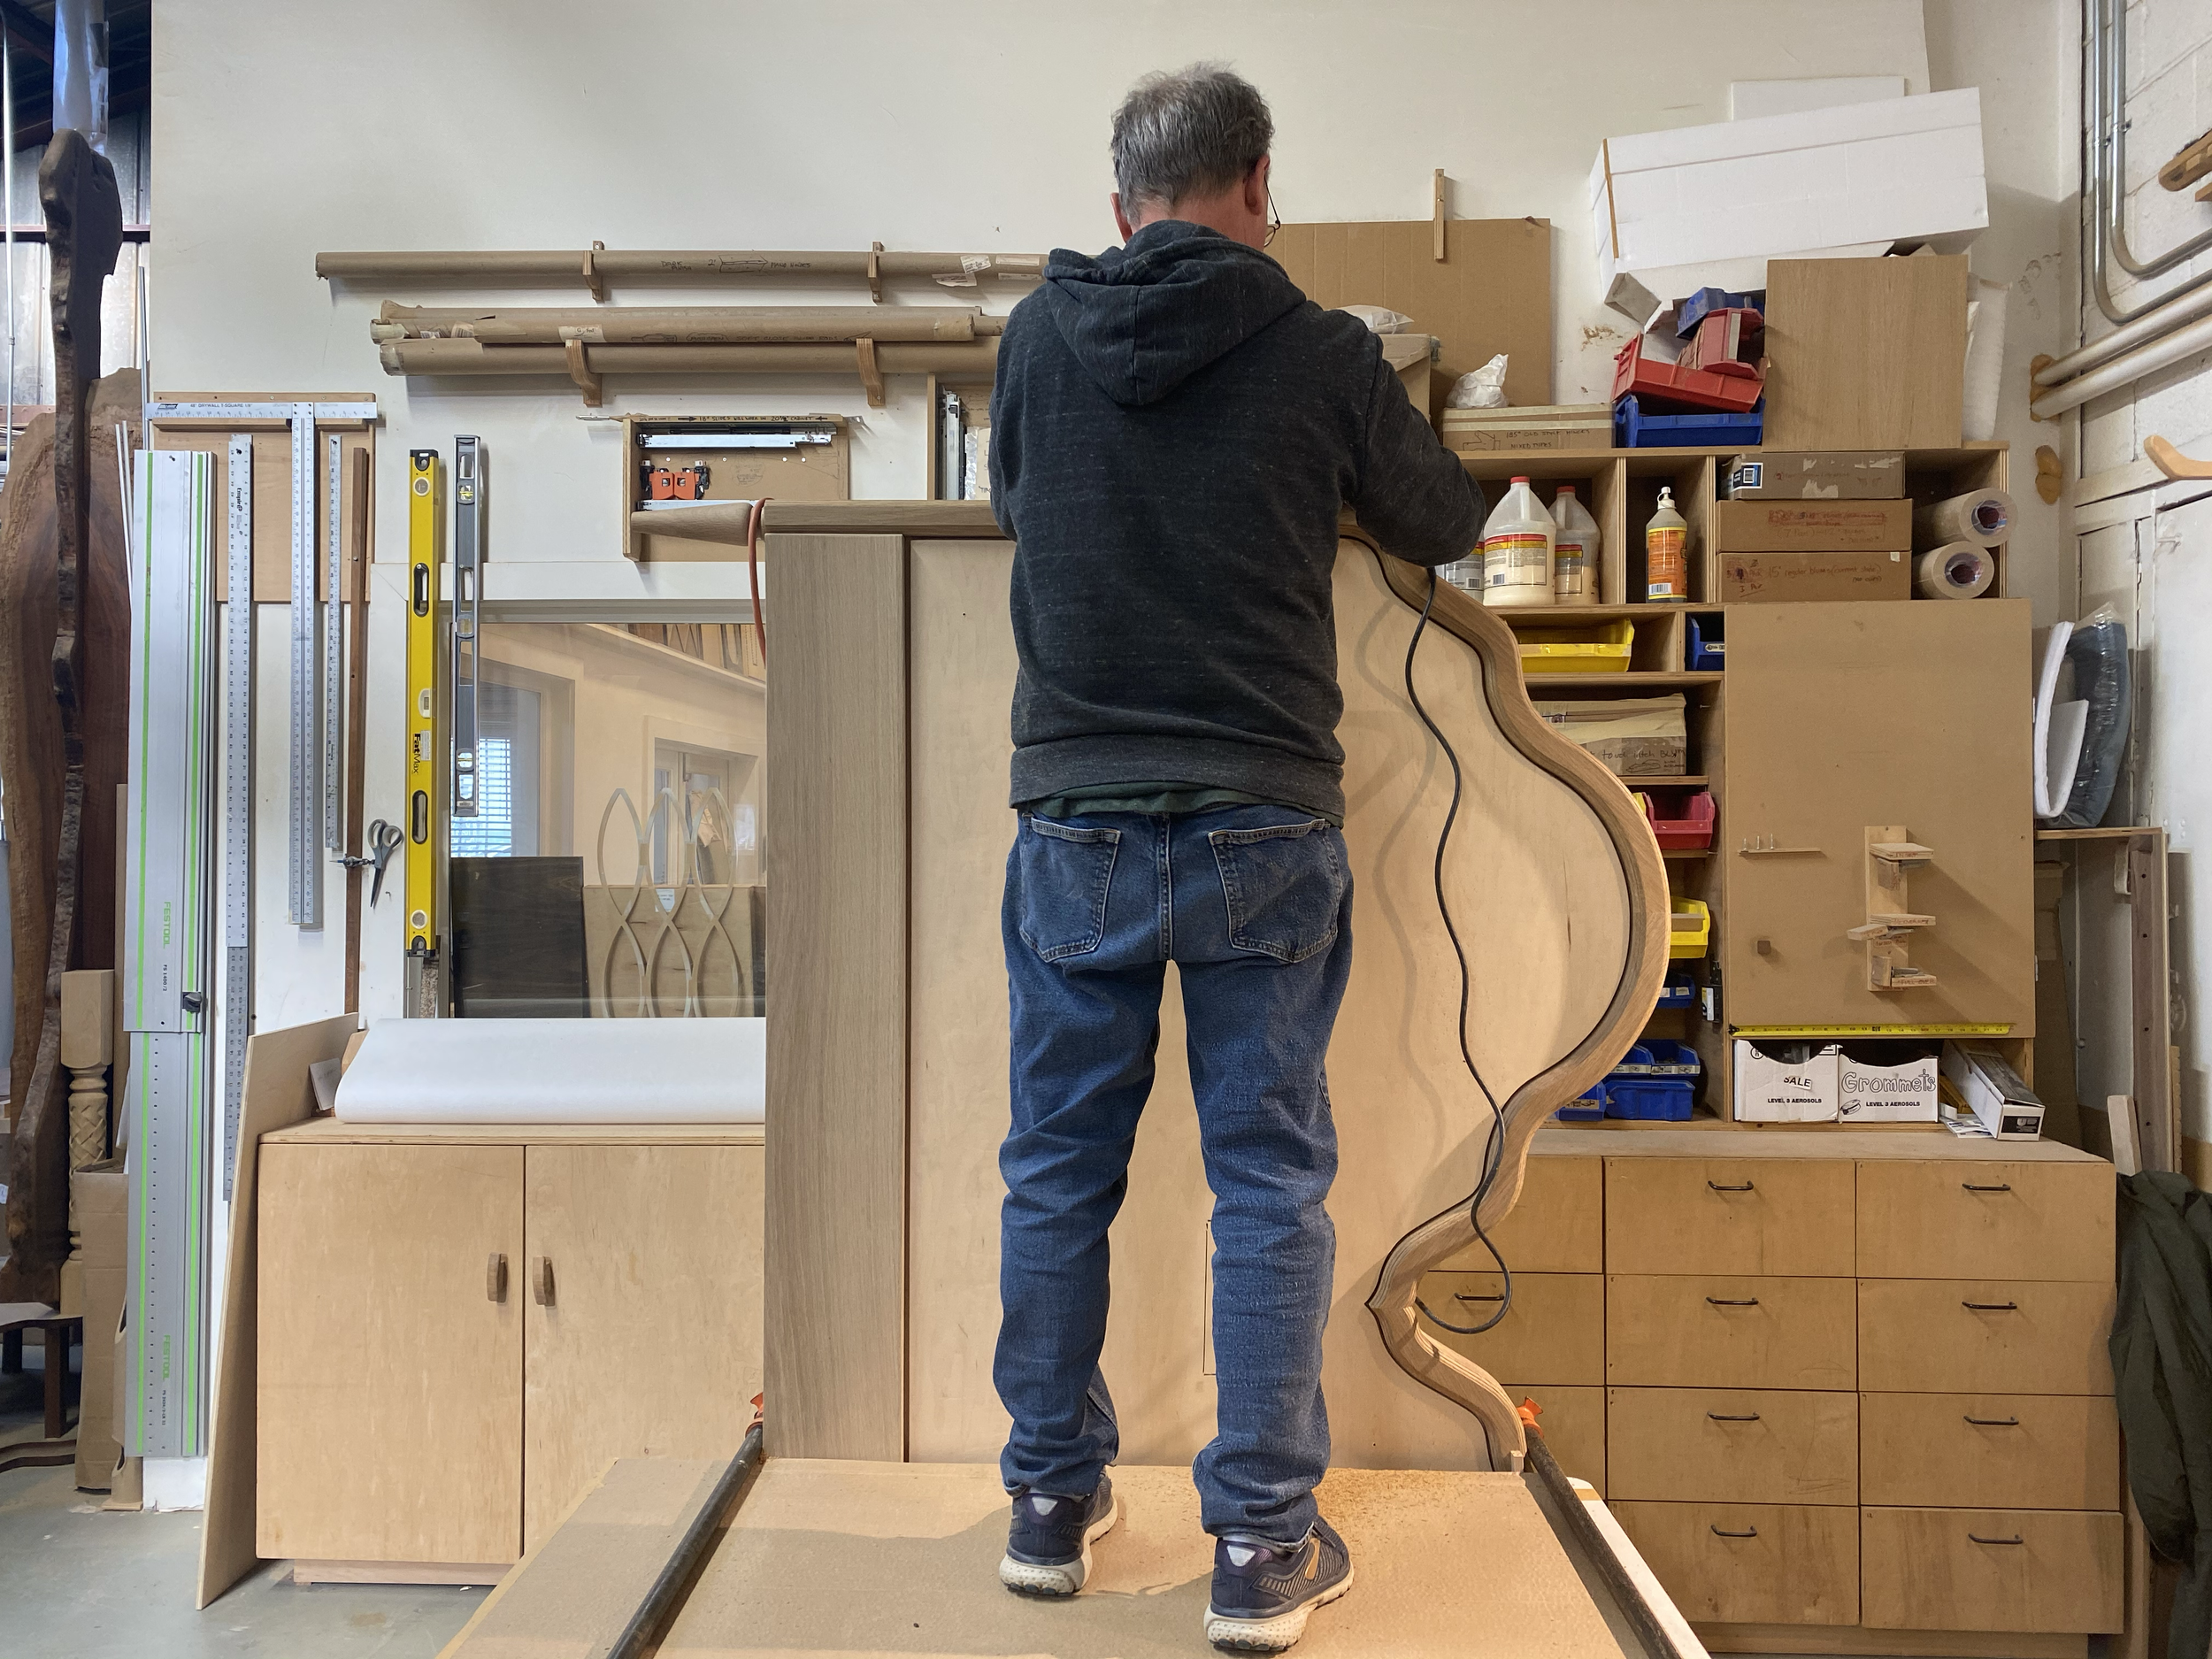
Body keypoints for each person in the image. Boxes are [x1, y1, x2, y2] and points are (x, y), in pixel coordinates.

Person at [986, 62, 1485, 1654]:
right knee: (1267, 1179)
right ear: (1259, 186)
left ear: (1119, 207)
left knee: (1057, 1166)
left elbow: (1015, 503)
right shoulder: (1323, 350)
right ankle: (1262, 1549)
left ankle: (1051, 1508)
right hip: (1264, 818)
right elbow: (1444, 518)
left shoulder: (1035, 341)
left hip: (1077, 823)